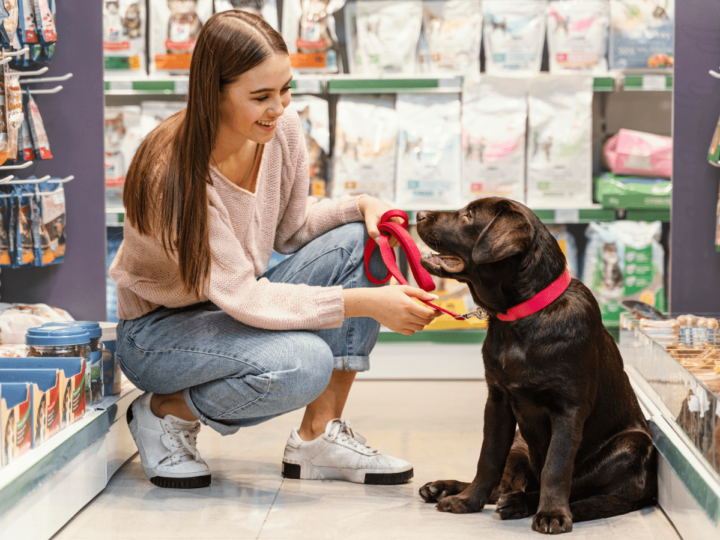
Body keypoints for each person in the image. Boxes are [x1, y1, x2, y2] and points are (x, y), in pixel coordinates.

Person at [110, 10, 440, 490]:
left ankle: (317, 437)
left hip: (232, 306)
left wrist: (363, 205)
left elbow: (292, 228)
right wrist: (367, 304)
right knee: (303, 362)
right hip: (158, 334)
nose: (279, 107)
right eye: (261, 96)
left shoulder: (278, 131)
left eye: (285, 89)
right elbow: (244, 296)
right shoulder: (174, 176)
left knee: (362, 241)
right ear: (213, 93)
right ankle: (165, 412)